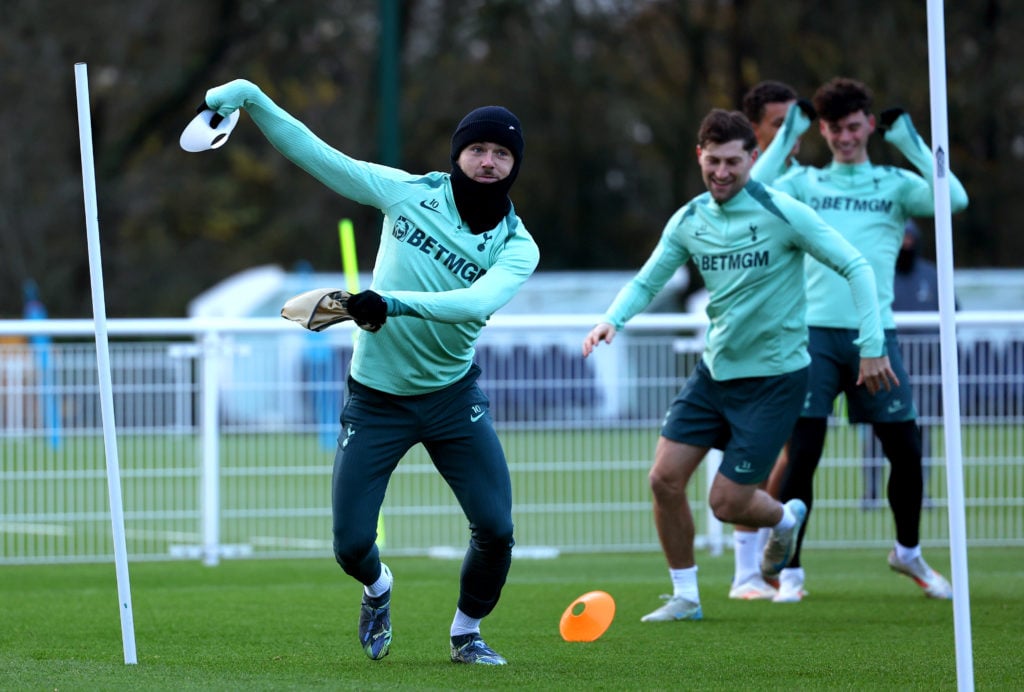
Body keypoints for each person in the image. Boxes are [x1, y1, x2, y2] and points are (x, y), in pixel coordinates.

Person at [200, 80, 540, 664]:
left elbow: (476, 305)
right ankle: (378, 588)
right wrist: (254, 99)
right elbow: (319, 156)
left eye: (502, 154)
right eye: (478, 149)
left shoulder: (518, 245)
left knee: (497, 529)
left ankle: (466, 633)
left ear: (513, 166)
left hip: (453, 399)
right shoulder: (407, 193)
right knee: (352, 545)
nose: (488, 162)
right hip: (377, 399)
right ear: (458, 153)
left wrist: (390, 301)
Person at [581, 109, 893, 622]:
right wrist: (612, 319)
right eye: (713, 161)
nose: (722, 172)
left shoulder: (782, 211)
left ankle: (785, 518)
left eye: (734, 161)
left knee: (726, 503)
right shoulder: (689, 219)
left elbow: (855, 266)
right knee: (663, 480)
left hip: (775, 380)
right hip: (713, 374)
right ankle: (686, 596)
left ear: (753, 158)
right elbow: (647, 279)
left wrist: (873, 343)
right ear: (698, 157)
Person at [753, 77, 969, 603]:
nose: (844, 138)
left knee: (907, 451)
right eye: (833, 129)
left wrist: (910, 140)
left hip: (877, 333)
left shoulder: (894, 184)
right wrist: (789, 133)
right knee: (804, 454)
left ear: (870, 125)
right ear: (821, 130)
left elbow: (955, 198)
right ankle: (794, 573)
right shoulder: (805, 183)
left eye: (853, 127)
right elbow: (755, 188)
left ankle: (908, 553)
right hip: (813, 338)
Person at [727, 79, 812, 601]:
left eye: (797, 125)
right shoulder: (744, 181)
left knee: (789, 454)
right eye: (782, 124)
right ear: (755, 130)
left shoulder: (805, 181)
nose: (792, 135)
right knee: (753, 459)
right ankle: (746, 572)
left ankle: (768, 566)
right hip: (745, 344)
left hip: (799, 340)